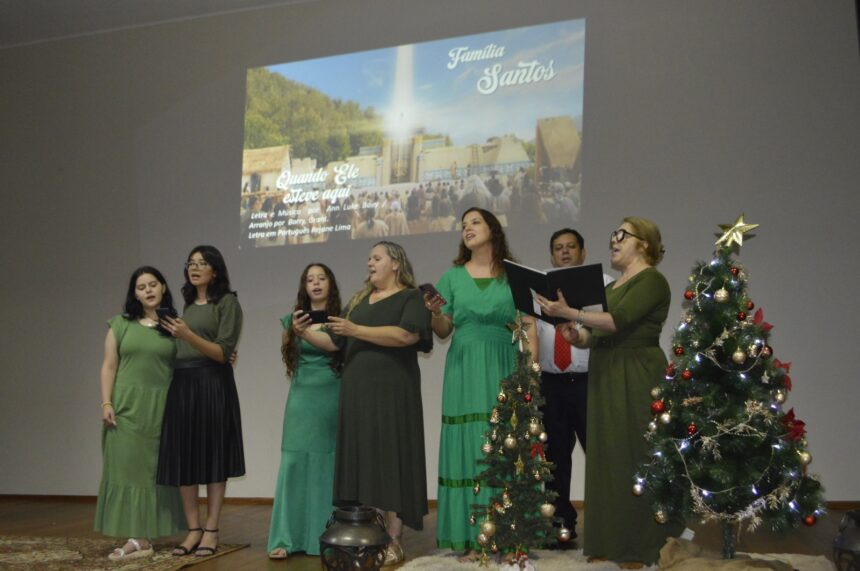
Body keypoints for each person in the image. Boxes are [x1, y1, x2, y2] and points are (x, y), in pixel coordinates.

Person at [537, 217, 684, 567]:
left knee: (633, 456)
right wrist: (578, 336)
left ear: (644, 243)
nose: (614, 241)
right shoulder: (617, 285)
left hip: (634, 372)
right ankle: (610, 541)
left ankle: (642, 546)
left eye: (622, 235)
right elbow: (599, 333)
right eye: (613, 235)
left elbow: (618, 321)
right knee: (607, 459)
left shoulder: (652, 280)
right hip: (606, 371)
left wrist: (568, 313)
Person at [296, 241, 432, 566]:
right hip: (357, 393)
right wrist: (303, 333)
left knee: (391, 456)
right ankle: (369, 537)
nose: (370, 263)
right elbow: (335, 341)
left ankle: (395, 540)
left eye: (377, 257)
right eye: (368, 258)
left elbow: (407, 336)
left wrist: (357, 329)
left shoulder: (410, 297)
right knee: (367, 459)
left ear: (395, 263)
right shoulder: (359, 300)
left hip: (392, 392)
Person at [426, 207, 538, 560]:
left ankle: (508, 538)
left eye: (475, 222)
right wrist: (433, 313)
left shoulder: (514, 275)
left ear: (493, 228)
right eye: (463, 225)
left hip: (503, 363)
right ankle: (474, 538)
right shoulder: (452, 276)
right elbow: (444, 330)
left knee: (504, 445)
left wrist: (531, 372)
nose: (467, 228)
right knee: (471, 447)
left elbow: (529, 326)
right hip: (463, 366)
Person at [157, 245, 245, 557]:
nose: (195, 268)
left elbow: (222, 353)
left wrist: (187, 335)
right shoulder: (188, 306)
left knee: (212, 456)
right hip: (182, 385)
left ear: (215, 270)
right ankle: (193, 529)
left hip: (212, 384)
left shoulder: (227, 303)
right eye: (191, 263)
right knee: (185, 456)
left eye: (202, 263)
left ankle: (211, 530)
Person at [94, 267, 185, 560]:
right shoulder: (120, 324)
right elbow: (109, 366)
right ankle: (138, 537)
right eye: (141, 286)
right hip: (125, 409)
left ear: (162, 287)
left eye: (153, 284)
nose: (148, 290)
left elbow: (191, 360)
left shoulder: (174, 326)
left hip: (161, 409)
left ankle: (144, 538)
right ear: (134, 293)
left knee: (152, 474)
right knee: (127, 470)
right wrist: (106, 403)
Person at [535, 229, 613, 544]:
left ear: (582, 251)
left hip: (588, 382)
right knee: (554, 457)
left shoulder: (605, 283)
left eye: (570, 247)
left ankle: (606, 525)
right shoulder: (538, 287)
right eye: (558, 248)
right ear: (551, 254)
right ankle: (560, 527)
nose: (564, 252)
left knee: (599, 452)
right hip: (550, 383)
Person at [267, 263, 343, 560]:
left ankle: (325, 537)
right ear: (304, 287)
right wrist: (293, 331)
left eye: (321, 278)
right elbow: (289, 353)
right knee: (294, 463)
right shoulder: (292, 320)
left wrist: (305, 332)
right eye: (310, 279)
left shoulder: (339, 320)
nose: (315, 283)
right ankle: (287, 537)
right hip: (300, 397)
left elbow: (335, 347)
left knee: (326, 465)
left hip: (331, 395)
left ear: (330, 284)